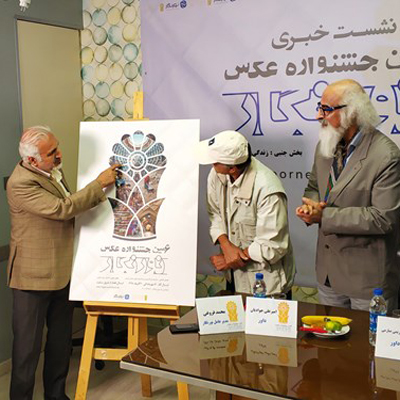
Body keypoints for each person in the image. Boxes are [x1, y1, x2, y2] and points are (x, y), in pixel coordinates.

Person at [6, 126, 119, 400]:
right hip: (32, 279)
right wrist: (99, 184)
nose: (59, 154)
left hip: (62, 273)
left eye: (57, 147)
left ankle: (56, 396)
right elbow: (62, 208)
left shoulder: (52, 171)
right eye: (51, 152)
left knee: (59, 344)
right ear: (32, 160)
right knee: (27, 352)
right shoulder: (20, 183)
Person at [296, 79, 400, 312]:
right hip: (328, 275)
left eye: (326, 109)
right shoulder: (325, 145)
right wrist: (311, 207)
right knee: (330, 337)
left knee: (366, 338)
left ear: (352, 112)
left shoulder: (386, 156)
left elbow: (384, 218)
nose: (318, 116)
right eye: (319, 107)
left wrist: (324, 217)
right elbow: (314, 186)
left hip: (367, 282)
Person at [198, 130, 295, 295]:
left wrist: (231, 259)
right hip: (234, 278)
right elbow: (215, 214)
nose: (212, 165)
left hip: (266, 284)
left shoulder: (268, 190)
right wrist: (226, 245)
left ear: (232, 168)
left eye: (215, 162)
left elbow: (272, 246)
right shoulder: (216, 174)